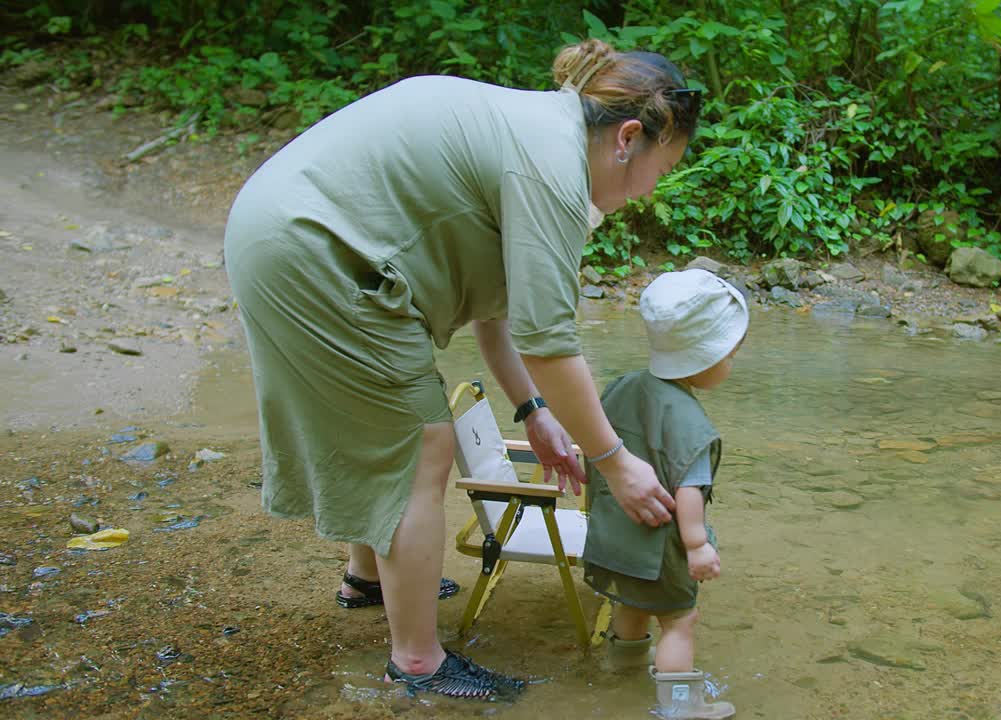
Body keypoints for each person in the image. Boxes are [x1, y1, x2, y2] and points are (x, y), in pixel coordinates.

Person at [222, 39, 702, 699]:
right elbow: (549, 342)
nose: (652, 191)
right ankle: (418, 664)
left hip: (284, 230)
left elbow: (498, 315)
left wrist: (535, 413)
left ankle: (366, 576)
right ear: (628, 138)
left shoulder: (538, 132)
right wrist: (616, 463)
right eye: (663, 165)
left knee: (381, 427)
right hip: (316, 248)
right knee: (423, 443)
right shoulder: (552, 167)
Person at [582, 269, 747, 719]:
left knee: (629, 605)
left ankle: (622, 675)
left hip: (617, 535)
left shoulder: (623, 386)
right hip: (660, 545)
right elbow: (689, 488)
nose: (732, 362)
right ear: (703, 357)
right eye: (730, 354)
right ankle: (679, 709)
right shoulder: (690, 422)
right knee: (678, 621)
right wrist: (696, 545)